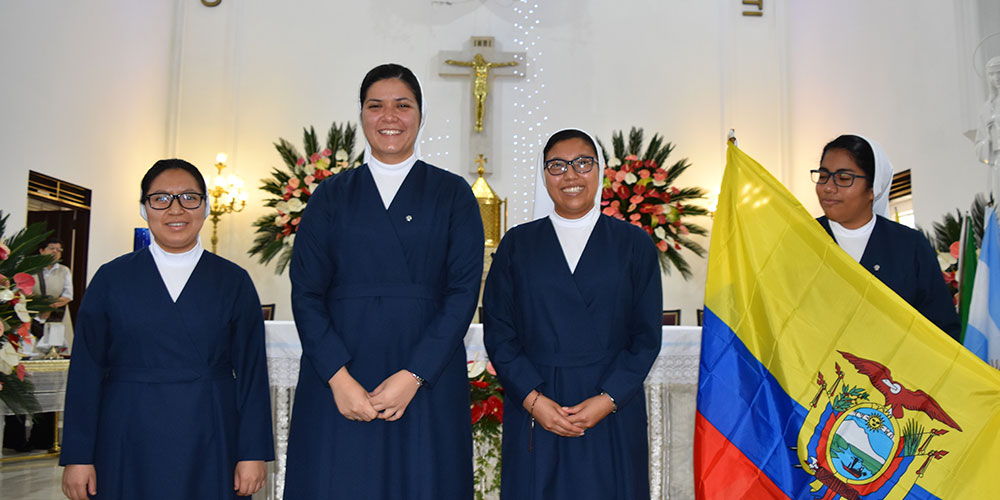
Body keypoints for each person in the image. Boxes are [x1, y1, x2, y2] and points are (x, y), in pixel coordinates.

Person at [283, 63, 484, 499]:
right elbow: (307, 292)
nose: (389, 116)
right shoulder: (331, 195)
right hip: (340, 372)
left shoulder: (453, 194)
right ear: (361, 115)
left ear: (420, 115)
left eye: (402, 105)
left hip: (424, 373)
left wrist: (414, 375)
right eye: (376, 106)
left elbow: (464, 292)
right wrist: (338, 378)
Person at [60, 159, 274, 499]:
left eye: (189, 197)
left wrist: (252, 452)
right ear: (144, 208)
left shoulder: (234, 281)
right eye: (160, 198)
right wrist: (78, 455)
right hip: (127, 433)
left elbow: (251, 374)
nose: (176, 209)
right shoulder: (110, 279)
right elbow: (85, 370)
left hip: (211, 431)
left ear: (205, 205)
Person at [482, 128, 662, 499]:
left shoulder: (634, 244)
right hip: (537, 401)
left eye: (583, 163)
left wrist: (607, 399)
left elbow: (645, 338)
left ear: (599, 170)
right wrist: (533, 401)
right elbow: (499, 332)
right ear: (543, 174)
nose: (571, 175)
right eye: (557, 166)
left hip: (611, 403)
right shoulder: (518, 243)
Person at [813, 134, 960, 339]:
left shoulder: (910, 246)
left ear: (873, 188)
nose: (828, 187)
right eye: (823, 176)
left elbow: (941, 328)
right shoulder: (803, 237)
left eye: (844, 178)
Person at [1, 237, 73, 453]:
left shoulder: (63, 271)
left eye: (59, 249)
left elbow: (68, 295)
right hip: (26, 326)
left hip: (53, 323)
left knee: (49, 382)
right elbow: (18, 293)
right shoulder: (28, 268)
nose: (56, 252)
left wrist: (49, 306)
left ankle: (44, 439)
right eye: (52, 248)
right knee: (20, 379)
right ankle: (15, 440)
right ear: (41, 250)